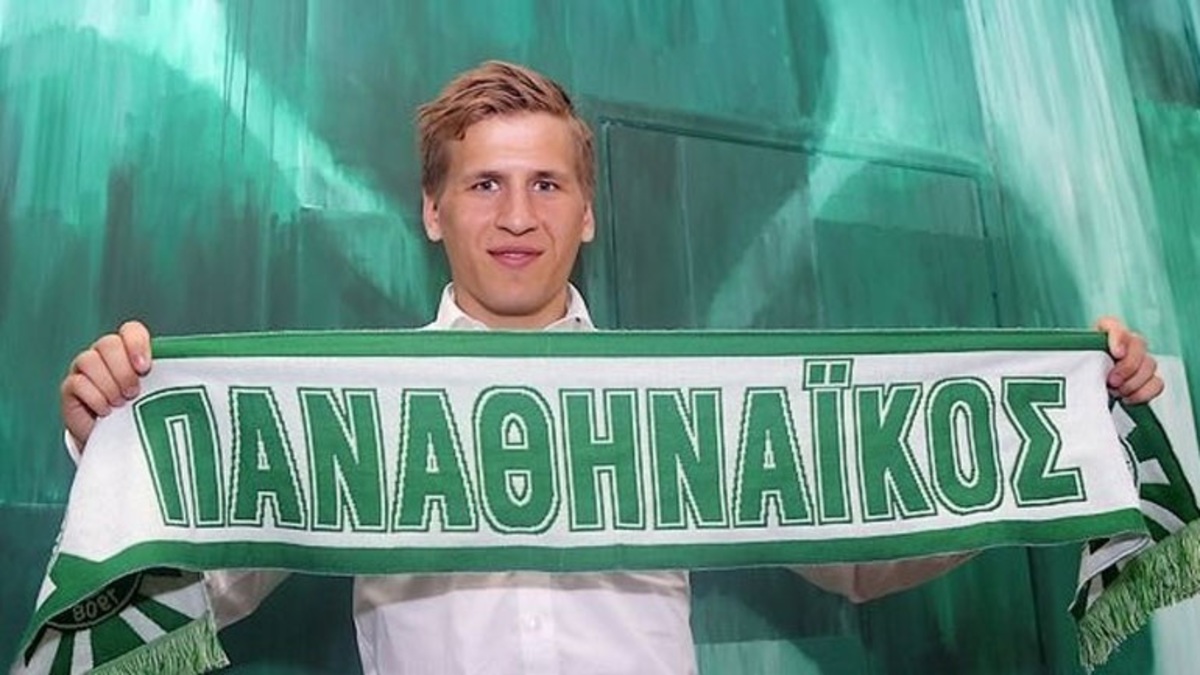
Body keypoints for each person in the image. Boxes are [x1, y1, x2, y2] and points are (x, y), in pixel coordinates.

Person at [59, 61, 1165, 675]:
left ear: (588, 213)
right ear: (432, 210)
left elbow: (864, 560)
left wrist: (1073, 436)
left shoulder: (688, 399)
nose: (517, 216)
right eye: (484, 185)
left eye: (546, 185)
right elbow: (199, 596)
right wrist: (120, 455)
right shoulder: (353, 405)